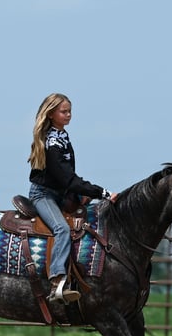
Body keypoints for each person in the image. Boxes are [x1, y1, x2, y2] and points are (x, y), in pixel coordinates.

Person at [27, 93, 115, 303]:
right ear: (51, 114)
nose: (69, 115)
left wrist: (81, 193)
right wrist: (102, 192)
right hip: (44, 195)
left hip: (61, 192)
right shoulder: (52, 142)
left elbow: (66, 177)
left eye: (70, 111)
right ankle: (57, 281)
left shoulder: (61, 135)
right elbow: (67, 178)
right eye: (64, 111)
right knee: (62, 229)